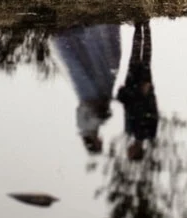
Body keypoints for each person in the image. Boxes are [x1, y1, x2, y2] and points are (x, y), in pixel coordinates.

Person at [52, 23, 121, 154]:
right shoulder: (91, 129)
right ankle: (90, 32)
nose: (101, 141)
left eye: (99, 144)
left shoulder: (84, 127)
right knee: (102, 60)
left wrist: (102, 115)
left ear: (94, 143)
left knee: (87, 62)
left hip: (91, 92)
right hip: (99, 91)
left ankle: (84, 33)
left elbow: (86, 111)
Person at [116, 21, 159, 160]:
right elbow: (152, 112)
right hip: (141, 90)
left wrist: (122, 95)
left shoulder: (130, 131)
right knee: (144, 55)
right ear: (136, 152)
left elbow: (128, 109)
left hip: (132, 89)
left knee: (136, 55)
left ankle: (140, 26)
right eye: (130, 154)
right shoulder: (148, 132)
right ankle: (144, 26)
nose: (128, 151)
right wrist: (148, 93)